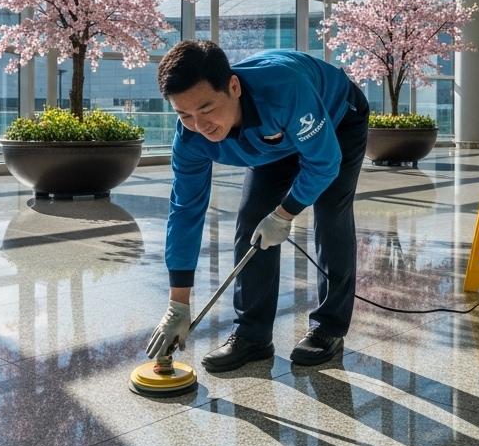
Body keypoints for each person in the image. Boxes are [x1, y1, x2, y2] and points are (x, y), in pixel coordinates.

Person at [146, 40, 369, 372]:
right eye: (184, 114)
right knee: (252, 220)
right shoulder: (191, 138)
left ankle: (329, 328)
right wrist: (177, 304)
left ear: (233, 86)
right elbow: (185, 211)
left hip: (335, 118)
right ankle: (253, 336)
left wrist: (284, 213)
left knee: (330, 214)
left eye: (206, 109)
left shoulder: (284, 88)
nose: (200, 125)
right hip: (273, 139)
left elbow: (323, 163)